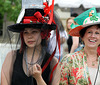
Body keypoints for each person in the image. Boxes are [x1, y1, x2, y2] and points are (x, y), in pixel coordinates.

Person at [1, 1, 60, 85]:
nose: (29, 36)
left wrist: (39, 78)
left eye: (34, 32)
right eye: (26, 32)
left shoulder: (53, 62)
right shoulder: (11, 57)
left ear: (43, 33)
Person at [60, 7, 100, 85]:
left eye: (97, 33)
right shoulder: (69, 60)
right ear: (82, 36)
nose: (93, 36)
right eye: (89, 32)